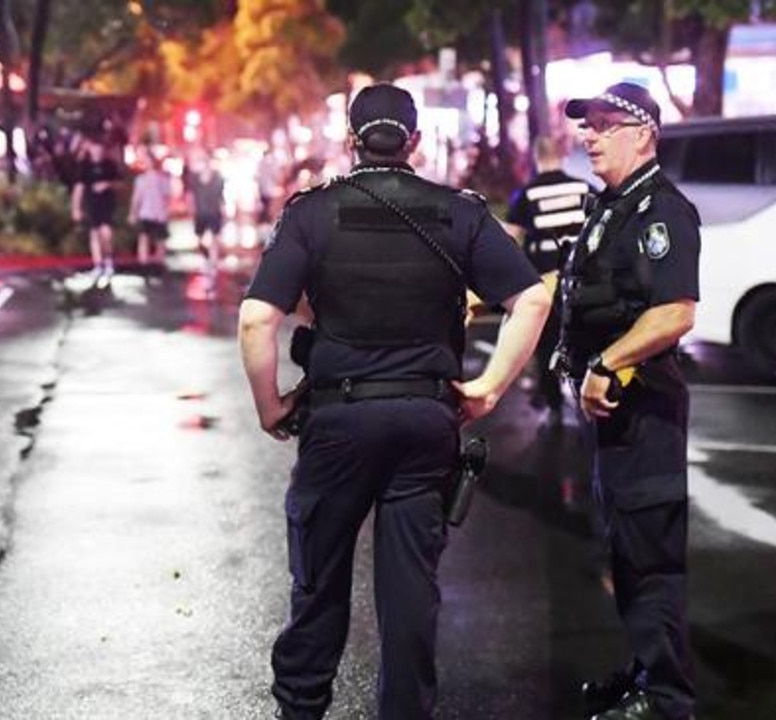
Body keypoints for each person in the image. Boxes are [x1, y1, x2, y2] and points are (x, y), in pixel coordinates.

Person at [238, 84, 551, 720]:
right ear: (414, 141)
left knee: (319, 583)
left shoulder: (311, 213)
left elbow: (255, 319)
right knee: (411, 589)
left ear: (350, 142)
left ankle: (301, 708)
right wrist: (488, 388)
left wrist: (271, 404)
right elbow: (533, 299)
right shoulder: (459, 213)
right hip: (425, 423)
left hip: (337, 423)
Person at [557, 82, 700, 720]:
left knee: (653, 558)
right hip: (616, 416)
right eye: (586, 125)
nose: (589, 135)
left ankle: (667, 698)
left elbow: (674, 313)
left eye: (605, 124)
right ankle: (645, 671)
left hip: (646, 411)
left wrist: (606, 364)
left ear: (643, 133)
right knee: (625, 550)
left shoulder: (662, 212)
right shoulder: (612, 207)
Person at [506, 135, 593, 424]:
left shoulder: (527, 194)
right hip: (582, 280)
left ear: (536, 156)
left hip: (544, 280)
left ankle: (552, 400)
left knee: (546, 342)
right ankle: (585, 393)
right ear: (563, 155)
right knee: (582, 338)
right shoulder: (583, 188)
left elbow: (513, 238)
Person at [71, 134, 121, 282]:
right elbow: (78, 188)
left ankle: (109, 261)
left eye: (100, 149)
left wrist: (107, 184)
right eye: (94, 149)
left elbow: (120, 184)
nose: (97, 152)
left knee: (106, 233)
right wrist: (76, 208)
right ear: (90, 150)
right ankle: (98, 265)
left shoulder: (109, 165)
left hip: (106, 204)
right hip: (91, 204)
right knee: (94, 235)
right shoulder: (84, 167)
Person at [185, 153, 227, 290]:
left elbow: (221, 197)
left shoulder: (218, 178)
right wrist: (191, 210)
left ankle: (212, 266)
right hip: (200, 213)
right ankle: (207, 259)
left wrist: (224, 211)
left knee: (214, 240)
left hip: (214, 213)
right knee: (200, 240)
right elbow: (191, 196)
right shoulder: (194, 179)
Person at [128, 154, 173, 273]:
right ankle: (144, 264)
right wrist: (133, 213)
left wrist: (165, 211)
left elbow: (167, 197)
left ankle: (159, 264)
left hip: (159, 213)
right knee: (144, 238)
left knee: (160, 240)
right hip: (146, 213)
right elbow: (136, 198)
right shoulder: (141, 180)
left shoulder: (163, 178)